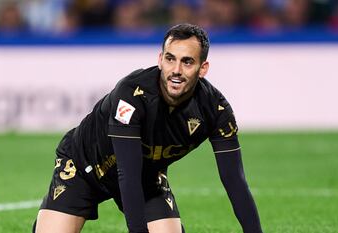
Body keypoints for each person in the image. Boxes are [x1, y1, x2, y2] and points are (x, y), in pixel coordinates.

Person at [33, 23, 263, 233]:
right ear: (160, 59)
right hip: (83, 166)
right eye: (170, 59)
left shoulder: (216, 109)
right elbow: (127, 175)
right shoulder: (132, 94)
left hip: (146, 176)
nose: (176, 70)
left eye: (187, 62)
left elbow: (234, 181)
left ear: (203, 68)